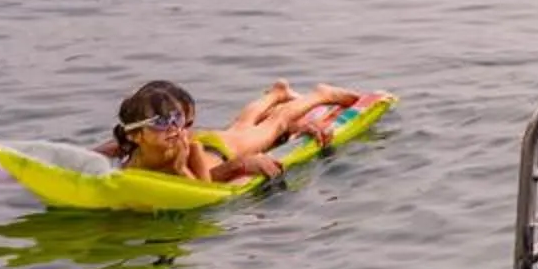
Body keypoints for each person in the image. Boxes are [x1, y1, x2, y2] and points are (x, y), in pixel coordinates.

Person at [102, 79, 377, 183]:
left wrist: (177, 168)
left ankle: (321, 94)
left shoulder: (188, 146)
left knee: (275, 125)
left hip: (223, 151)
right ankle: (277, 93)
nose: (175, 129)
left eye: (178, 119)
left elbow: (205, 187)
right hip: (220, 140)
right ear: (135, 135)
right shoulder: (127, 153)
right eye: (162, 123)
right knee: (241, 125)